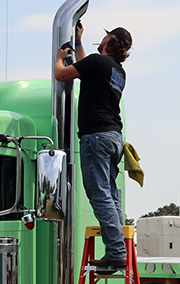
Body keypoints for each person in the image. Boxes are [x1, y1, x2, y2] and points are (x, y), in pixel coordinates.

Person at [53, 21, 133, 271]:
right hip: (113, 137)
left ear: (110, 41)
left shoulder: (99, 63)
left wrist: (59, 58)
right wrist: (78, 41)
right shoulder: (116, 71)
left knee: (99, 195)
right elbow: (85, 64)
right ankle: (121, 249)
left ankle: (116, 252)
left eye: (106, 36)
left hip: (96, 136)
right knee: (109, 194)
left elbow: (61, 74)